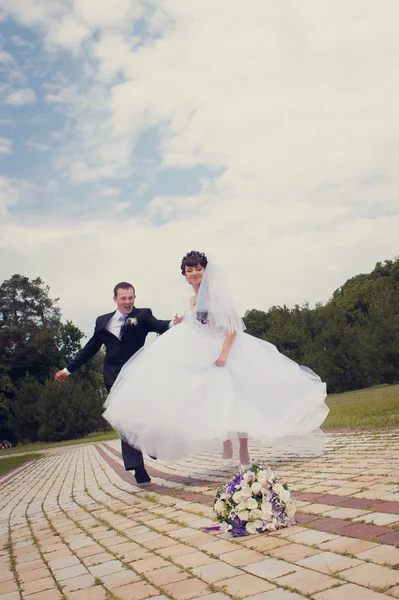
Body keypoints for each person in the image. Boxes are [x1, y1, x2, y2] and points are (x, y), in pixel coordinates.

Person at [103, 251, 329, 464]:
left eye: (198, 269)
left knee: (239, 399)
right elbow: (199, 326)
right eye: (189, 270)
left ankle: (243, 448)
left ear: (205, 270)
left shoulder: (216, 294)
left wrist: (224, 353)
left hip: (227, 349)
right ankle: (225, 442)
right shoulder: (193, 300)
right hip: (205, 350)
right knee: (215, 400)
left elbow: (233, 326)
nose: (194, 274)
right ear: (185, 276)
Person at [55, 281, 182, 484]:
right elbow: (89, 349)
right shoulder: (102, 321)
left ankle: (150, 444)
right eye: (123, 298)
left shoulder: (142, 315)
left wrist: (174, 324)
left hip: (137, 374)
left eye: (131, 297)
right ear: (115, 299)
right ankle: (138, 469)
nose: (128, 301)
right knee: (125, 421)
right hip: (113, 377)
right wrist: (67, 370)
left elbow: (160, 325)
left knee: (145, 412)